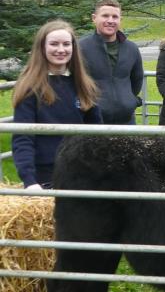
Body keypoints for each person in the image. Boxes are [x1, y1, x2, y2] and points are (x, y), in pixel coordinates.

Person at [12, 20, 102, 190]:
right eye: (54, 44)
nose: (61, 50)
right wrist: (30, 181)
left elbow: (96, 135)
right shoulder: (30, 88)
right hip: (46, 176)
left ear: (73, 48)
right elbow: (23, 138)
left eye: (66, 44)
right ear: (42, 47)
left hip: (81, 172)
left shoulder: (85, 86)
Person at [79, 0, 144, 125]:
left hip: (126, 123)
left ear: (120, 20)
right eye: (105, 16)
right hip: (92, 122)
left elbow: (137, 80)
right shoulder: (81, 48)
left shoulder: (131, 49)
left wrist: (129, 100)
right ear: (94, 18)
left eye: (115, 17)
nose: (110, 20)